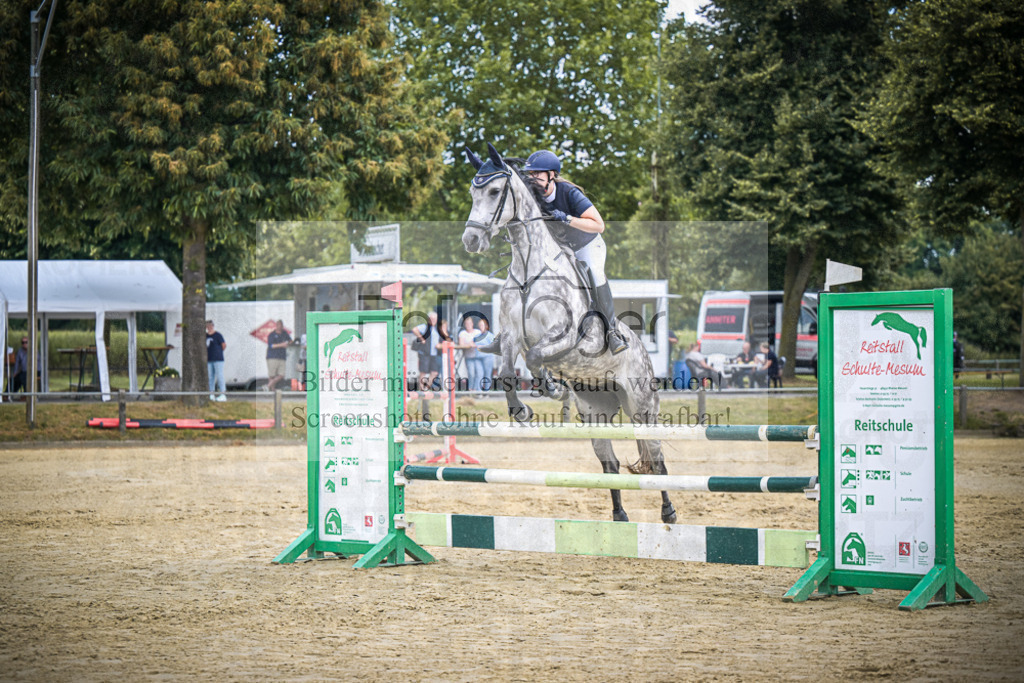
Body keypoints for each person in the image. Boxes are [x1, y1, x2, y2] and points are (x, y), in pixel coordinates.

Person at [523, 149, 629, 355]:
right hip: (561, 249)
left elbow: (599, 225)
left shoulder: (569, 193)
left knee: (595, 274)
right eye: (530, 174)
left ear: (551, 175)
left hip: (587, 245)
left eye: (537, 173)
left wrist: (567, 218)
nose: (532, 178)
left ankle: (612, 332)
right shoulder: (532, 196)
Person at [413, 311, 444, 392]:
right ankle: (422, 389)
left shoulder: (437, 329)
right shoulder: (424, 327)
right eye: (432, 319)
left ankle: (426, 388)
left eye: (435, 319)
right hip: (424, 353)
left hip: (434, 354)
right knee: (423, 371)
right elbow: (414, 329)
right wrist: (421, 338)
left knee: (434, 372)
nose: (433, 320)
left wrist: (439, 345)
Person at [456, 316, 481, 394]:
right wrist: (470, 344)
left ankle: (476, 390)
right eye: (466, 324)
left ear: (472, 324)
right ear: (465, 325)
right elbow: (461, 344)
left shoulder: (477, 332)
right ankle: (470, 389)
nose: (468, 325)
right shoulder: (462, 333)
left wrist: (471, 344)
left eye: (469, 323)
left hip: (478, 357)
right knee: (471, 373)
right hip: (469, 357)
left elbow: (480, 343)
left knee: (479, 373)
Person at [266, 320, 291, 391]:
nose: (280, 327)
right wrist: (282, 345)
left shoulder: (284, 333)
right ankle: (271, 389)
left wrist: (288, 343)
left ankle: (268, 386)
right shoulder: (272, 335)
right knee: (272, 375)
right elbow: (271, 346)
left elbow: (290, 341)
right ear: (276, 326)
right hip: (272, 356)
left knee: (281, 374)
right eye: (279, 325)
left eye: (281, 325)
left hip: (282, 357)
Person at [206, 320, 227, 401]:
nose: (209, 327)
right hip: (209, 359)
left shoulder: (218, 335)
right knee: (210, 376)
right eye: (207, 326)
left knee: (219, 376)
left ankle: (223, 394)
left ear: (213, 326)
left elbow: (224, 345)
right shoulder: (205, 336)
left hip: (218, 359)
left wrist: (218, 352)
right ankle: (211, 394)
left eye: (210, 325)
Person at [475, 317, 495, 394]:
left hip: (488, 357)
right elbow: (473, 344)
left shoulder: (490, 336)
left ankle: (486, 392)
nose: (481, 327)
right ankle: (478, 392)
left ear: (486, 326)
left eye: (482, 325)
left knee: (487, 375)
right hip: (478, 357)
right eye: (480, 325)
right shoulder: (477, 336)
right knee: (479, 374)